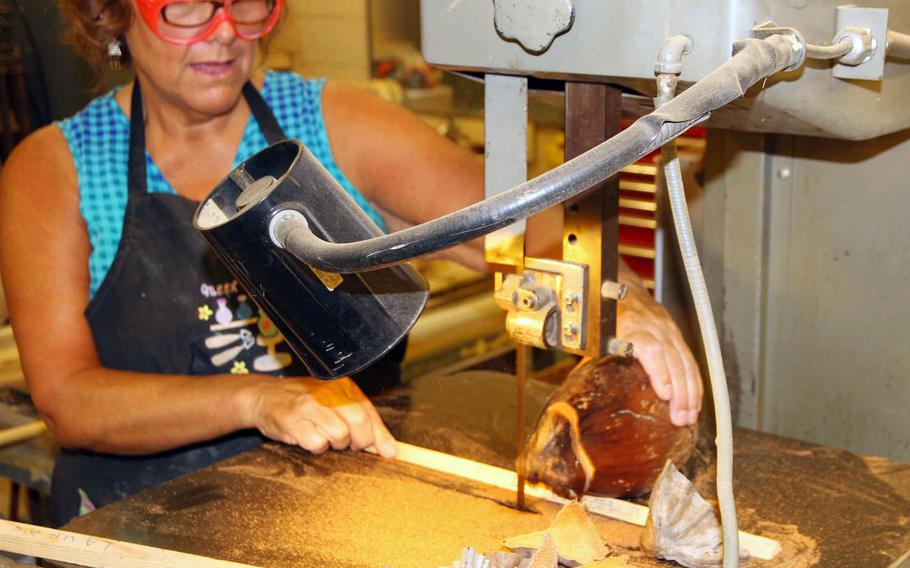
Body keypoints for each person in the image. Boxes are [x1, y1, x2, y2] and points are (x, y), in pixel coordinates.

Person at [0, 0, 702, 525]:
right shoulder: (57, 169)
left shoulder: (329, 124)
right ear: (112, 16)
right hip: (134, 526)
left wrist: (621, 294)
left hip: (333, 517)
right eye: (183, 6)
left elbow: (516, 226)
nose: (223, 32)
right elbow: (69, 399)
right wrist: (260, 398)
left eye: (247, 4)